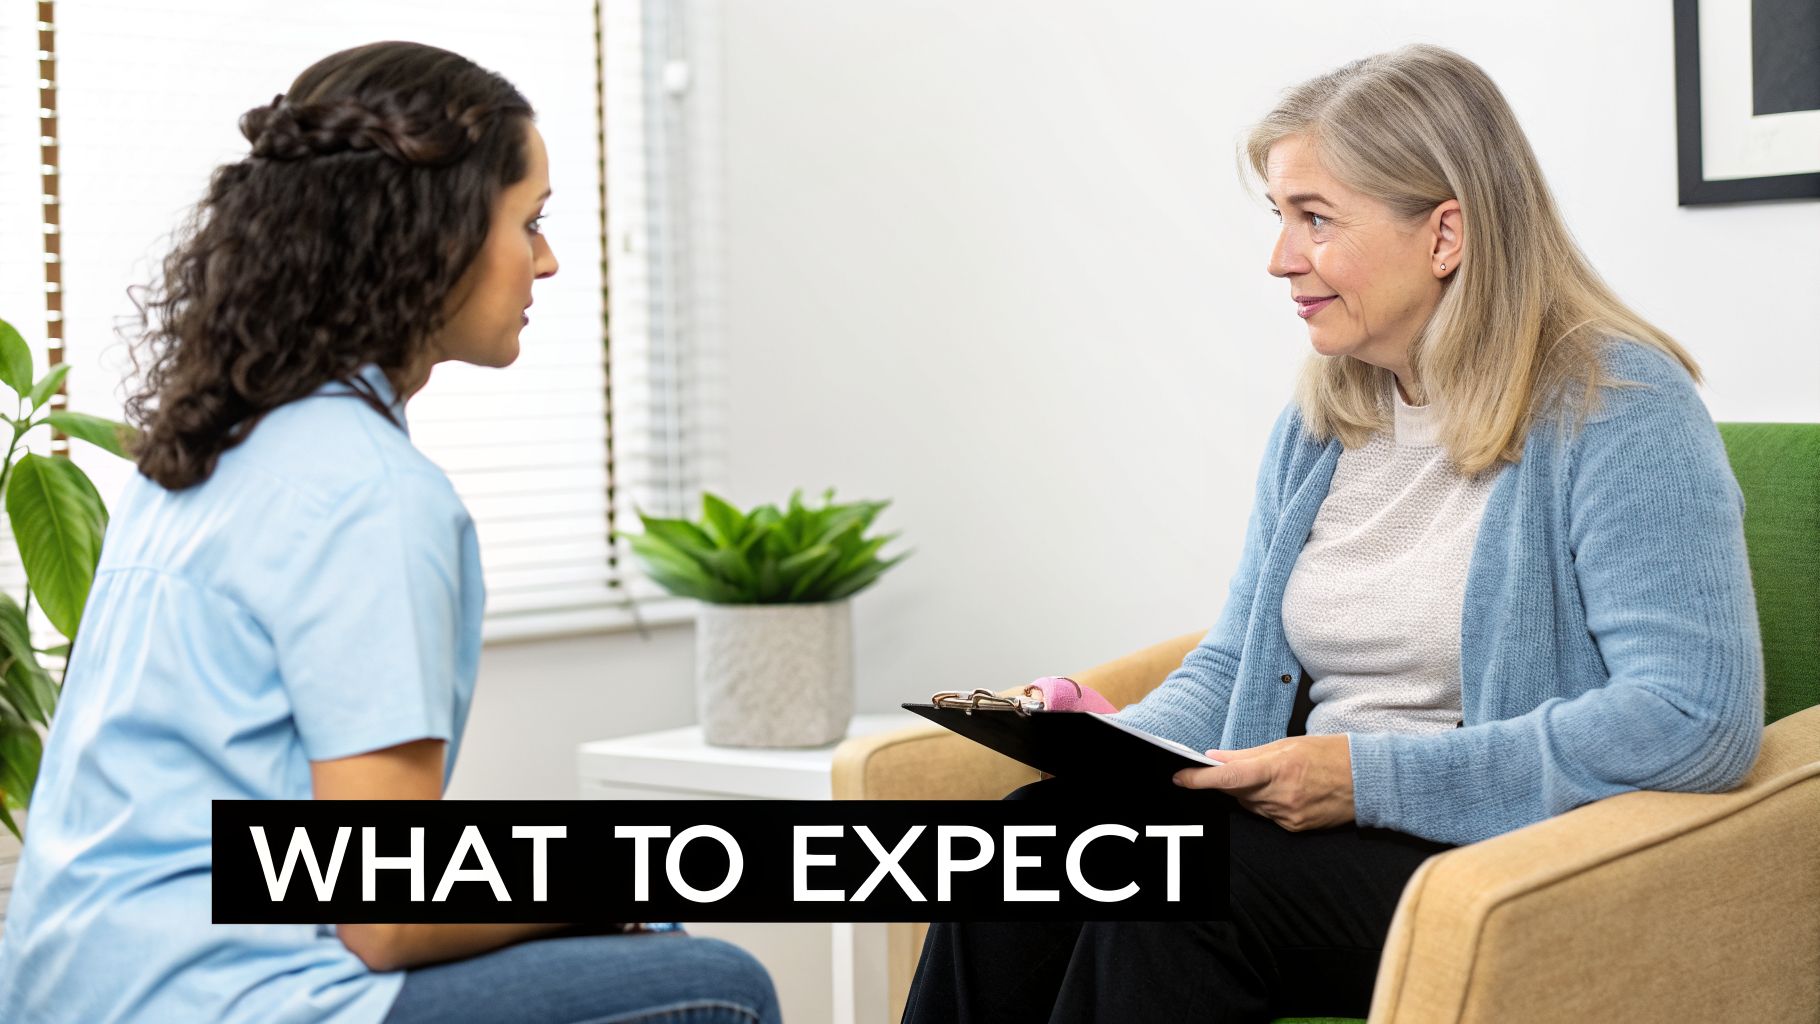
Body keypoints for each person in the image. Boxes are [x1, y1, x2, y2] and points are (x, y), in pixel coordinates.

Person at [903, 43, 1763, 1024]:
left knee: (1173, 895)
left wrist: (1364, 779)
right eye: (1278, 218)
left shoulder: (1615, 404)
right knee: (1027, 843)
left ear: (1444, 234)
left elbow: (1695, 718)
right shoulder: (1321, 421)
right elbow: (1234, 664)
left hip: (1496, 860)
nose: (1279, 259)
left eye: (1314, 219)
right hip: (1308, 836)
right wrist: (1100, 748)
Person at [0, 42, 780, 1024]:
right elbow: (383, 911)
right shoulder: (372, 489)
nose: (548, 259)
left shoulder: (206, 450)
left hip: (72, 993)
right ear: (433, 234)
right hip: (217, 1003)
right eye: (528, 223)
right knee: (718, 985)